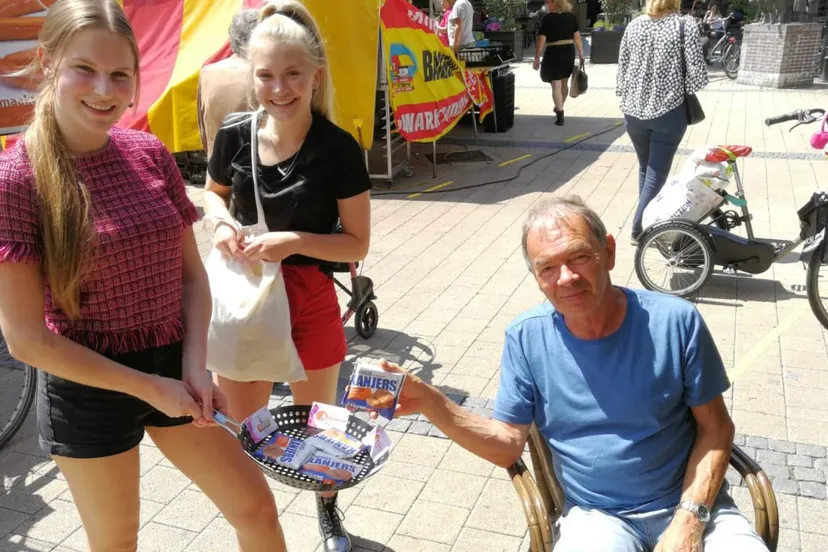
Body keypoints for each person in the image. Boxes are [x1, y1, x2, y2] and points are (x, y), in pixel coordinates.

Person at [0, 1, 287, 551]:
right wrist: (149, 387)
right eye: (84, 68)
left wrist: (195, 365)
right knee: (117, 542)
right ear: (47, 62)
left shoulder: (147, 152)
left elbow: (192, 280)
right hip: (87, 386)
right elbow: (26, 340)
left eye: (120, 74)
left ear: (136, 79)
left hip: (174, 364)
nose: (104, 89)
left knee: (255, 508)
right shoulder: (19, 178)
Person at [374, 198, 769, 552]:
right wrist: (430, 401)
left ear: (608, 252)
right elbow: (507, 444)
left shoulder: (675, 321)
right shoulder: (526, 338)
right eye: (547, 267)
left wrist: (690, 518)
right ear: (536, 277)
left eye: (578, 257)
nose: (565, 277)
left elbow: (716, 428)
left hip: (693, 503)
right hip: (599, 519)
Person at [202, 2, 371, 551]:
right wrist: (222, 224)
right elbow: (212, 195)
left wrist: (294, 242)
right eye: (266, 75)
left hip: (308, 297)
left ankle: (327, 509)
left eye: (293, 73)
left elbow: (357, 244)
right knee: (245, 430)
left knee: (321, 423)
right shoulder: (233, 134)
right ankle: (258, 522)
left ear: (315, 74)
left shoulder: (339, 149)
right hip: (244, 295)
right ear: (251, 77)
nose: (279, 88)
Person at [616, 0, 707, 244]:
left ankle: (647, 220)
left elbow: (622, 69)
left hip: (633, 114)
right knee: (656, 173)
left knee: (646, 170)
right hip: (668, 112)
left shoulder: (634, 25)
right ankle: (639, 229)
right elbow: (697, 76)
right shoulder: (684, 25)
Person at [197, 9, 258, 156]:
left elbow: (203, 131)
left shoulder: (207, 73)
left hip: (216, 165)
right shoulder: (262, 75)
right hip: (252, 169)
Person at [533, 0, 585, 126]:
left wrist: (537, 57)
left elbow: (541, 40)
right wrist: (581, 53)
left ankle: (560, 112)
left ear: (554, 3)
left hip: (553, 52)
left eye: (548, 3)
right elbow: (577, 37)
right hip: (568, 52)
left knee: (556, 84)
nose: (546, 5)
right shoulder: (571, 17)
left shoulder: (548, 19)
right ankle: (560, 105)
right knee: (564, 82)